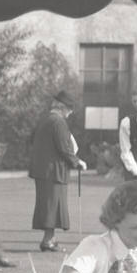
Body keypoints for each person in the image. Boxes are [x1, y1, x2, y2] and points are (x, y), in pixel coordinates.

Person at [28, 92, 84, 251]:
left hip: (44, 170)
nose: (70, 112)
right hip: (53, 171)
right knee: (52, 206)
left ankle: (50, 239)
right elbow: (64, 148)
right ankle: (47, 241)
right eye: (69, 109)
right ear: (61, 107)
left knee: (49, 205)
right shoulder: (58, 122)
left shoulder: (44, 119)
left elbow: (32, 140)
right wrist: (77, 162)